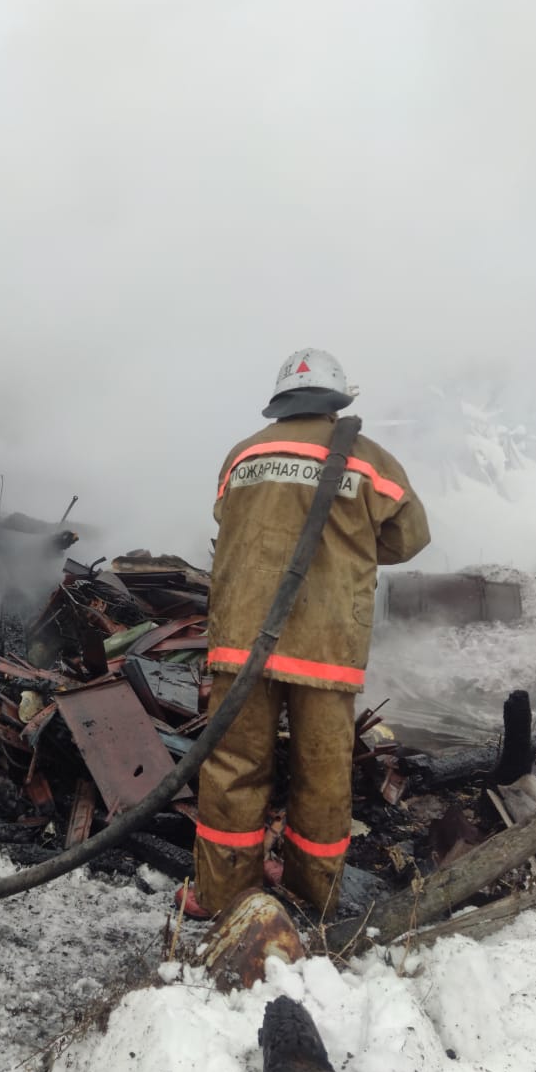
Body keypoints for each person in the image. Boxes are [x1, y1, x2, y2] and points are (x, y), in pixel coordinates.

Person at [181, 348, 430, 921]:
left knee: (232, 769)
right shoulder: (371, 461)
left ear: (281, 400)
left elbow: (229, 523)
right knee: (321, 778)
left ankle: (222, 897)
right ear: (338, 398)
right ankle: (311, 898)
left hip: (241, 642)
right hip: (326, 649)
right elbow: (408, 539)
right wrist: (348, 549)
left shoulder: (243, 455)